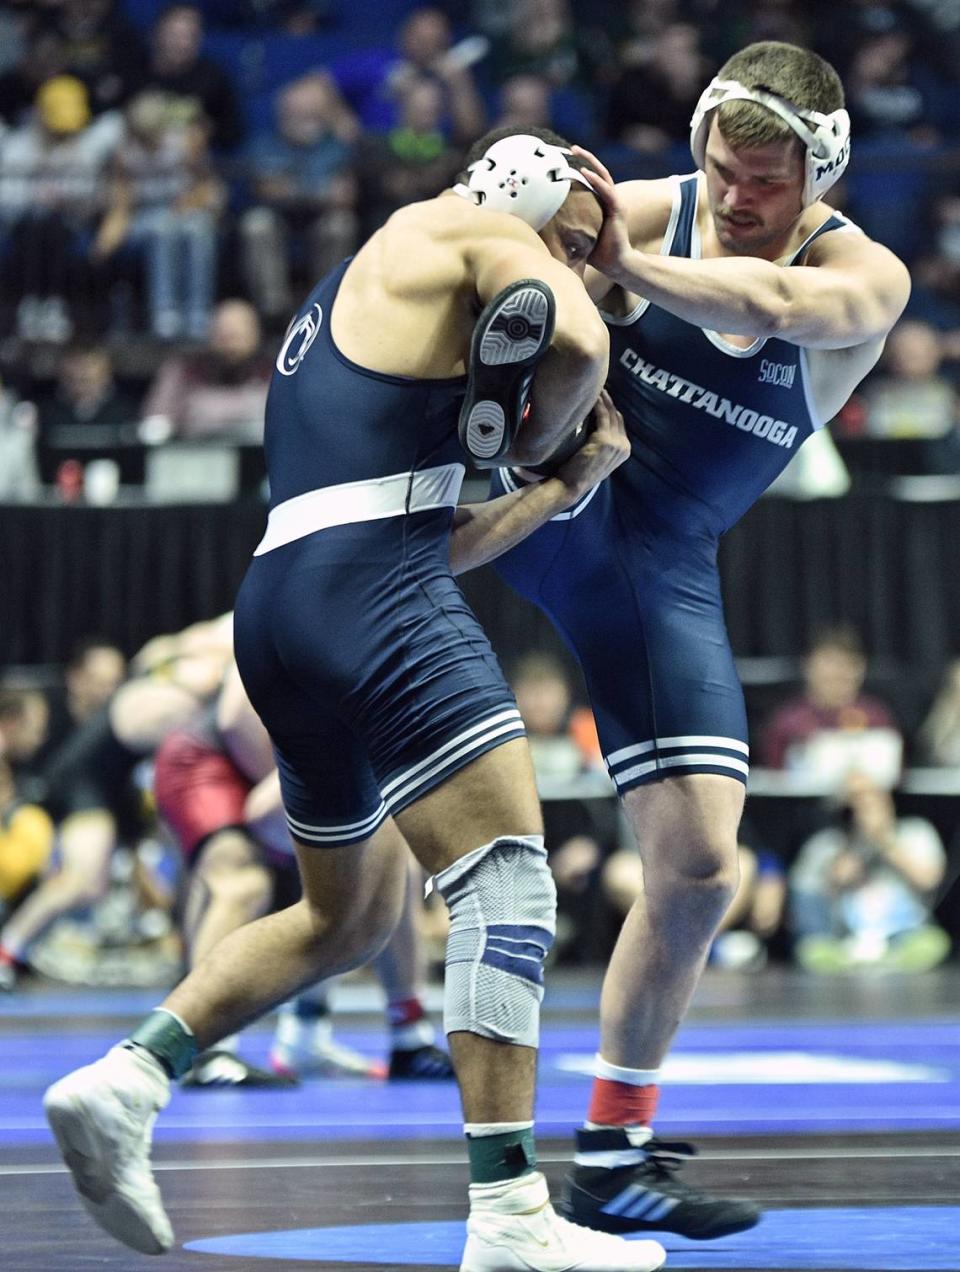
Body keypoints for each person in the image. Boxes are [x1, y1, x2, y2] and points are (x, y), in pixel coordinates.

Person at [44, 125, 664, 1272]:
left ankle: (126, 1080)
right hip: (373, 597)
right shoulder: (465, 223)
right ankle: (513, 1219)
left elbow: (433, 532)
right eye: (577, 242)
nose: (587, 270)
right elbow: (576, 334)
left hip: (289, 602)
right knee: (508, 884)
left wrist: (562, 483)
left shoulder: (371, 290)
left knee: (350, 916)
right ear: (524, 192)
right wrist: (546, 427)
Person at [489, 40, 910, 1239]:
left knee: (700, 868)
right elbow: (479, 243)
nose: (736, 199)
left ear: (818, 176)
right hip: (538, 490)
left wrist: (622, 268)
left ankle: (613, 1157)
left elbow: (775, 303)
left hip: (654, 556)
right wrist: (524, 210)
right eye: (725, 168)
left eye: (768, 182)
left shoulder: (865, 280)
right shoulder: (638, 209)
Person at [153, 661, 455, 1085]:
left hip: (285, 774)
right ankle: (205, 1050)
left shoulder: (391, 686)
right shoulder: (326, 627)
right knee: (242, 882)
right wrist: (299, 791)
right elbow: (235, 717)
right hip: (210, 762)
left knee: (390, 861)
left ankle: (403, 1038)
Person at [788, 770, 950, 974]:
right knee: (813, 951)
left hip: (904, 933)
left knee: (932, 943)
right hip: (844, 938)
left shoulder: (915, 832)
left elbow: (928, 879)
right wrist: (858, 845)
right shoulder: (827, 844)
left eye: (871, 797)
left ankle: (889, 960)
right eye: (856, 800)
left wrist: (883, 839)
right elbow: (814, 894)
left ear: (886, 799)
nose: (865, 807)